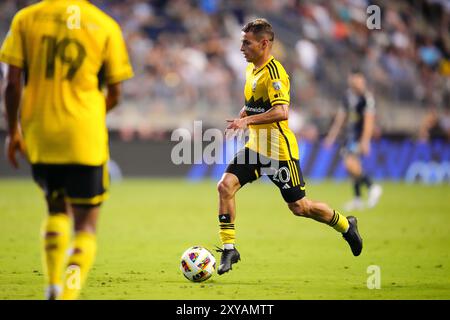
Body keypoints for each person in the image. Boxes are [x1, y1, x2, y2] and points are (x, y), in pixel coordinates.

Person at [0, 0, 133, 299]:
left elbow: (11, 83)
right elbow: (115, 93)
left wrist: (13, 131)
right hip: (84, 135)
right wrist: (90, 114)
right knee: (85, 225)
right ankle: (69, 292)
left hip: (42, 133)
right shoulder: (104, 25)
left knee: (56, 207)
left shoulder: (26, 19)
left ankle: (51, 284)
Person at [216, 19, 363, 275]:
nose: (241, 47)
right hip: (256, 148)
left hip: (279, 152)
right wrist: (245, 112)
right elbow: (256, 101)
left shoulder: (275, 73)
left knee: (300, 208)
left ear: (264, 44)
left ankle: (346, 225)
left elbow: (282, 112)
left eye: (246, 42)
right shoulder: (252, 69)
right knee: (225, 186)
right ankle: (230, 249)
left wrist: (247, 120)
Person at [324, 69, 382, 211]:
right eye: (352, 79)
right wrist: (331, 136)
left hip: (358, 137)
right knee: (352, 168)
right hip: (348, 136)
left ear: (362, 80)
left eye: (357, 80)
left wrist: (365, 140)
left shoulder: (366, 98)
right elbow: (340, 118)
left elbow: (369, 121)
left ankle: (371, 186)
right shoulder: (348, 96)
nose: (354, 82)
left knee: (350, 164)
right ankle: (357, 199)